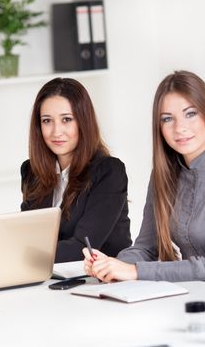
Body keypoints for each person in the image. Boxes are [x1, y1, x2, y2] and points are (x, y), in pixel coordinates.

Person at [83, 70, 205, 288]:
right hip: (194, 291)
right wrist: (110, 265)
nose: (179, 128)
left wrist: (134, 271)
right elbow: (145, 247)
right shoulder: (163, 175)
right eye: (167, 119)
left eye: (190, 113)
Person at [21, 77, 132, 263]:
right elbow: (29, 237)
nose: (56, 132)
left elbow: (83, 248)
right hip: (51, 280)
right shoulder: (31, 171)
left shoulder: (109, 172)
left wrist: (20, 254)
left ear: (83, 121)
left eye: (66, 119)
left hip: (102, 282)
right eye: (47, 121)